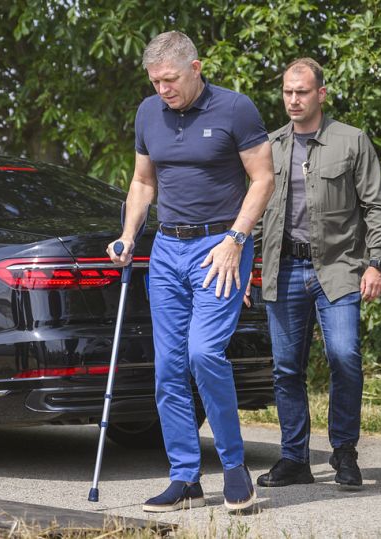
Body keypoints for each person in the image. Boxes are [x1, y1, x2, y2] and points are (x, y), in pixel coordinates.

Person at [107, 31, 274, 512]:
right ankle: (185, 479)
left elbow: (263, 179)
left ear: (196, 68)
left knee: (204, 354)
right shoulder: (147, 113)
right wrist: (128, 233)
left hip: (220, 246)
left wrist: (236, 241)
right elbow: (142, 182)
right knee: (169, 369)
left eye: (171, 79)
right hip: (166, 250)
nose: (163, 89)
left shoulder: (236, 109)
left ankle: (235, 466)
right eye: (155, 81)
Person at [251, 58, 381, 490]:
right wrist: (241, 268)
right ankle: (295, 459)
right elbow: (254, 214)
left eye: (302, 92)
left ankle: (344, 454)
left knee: (345, 357)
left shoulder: (351, 141)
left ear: (321, 94)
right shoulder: (270, 145)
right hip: (283, 269)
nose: (293, 100)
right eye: (288, 93)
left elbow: (377, 206)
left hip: (339, 269)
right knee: (286, 369)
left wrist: (376, 263)